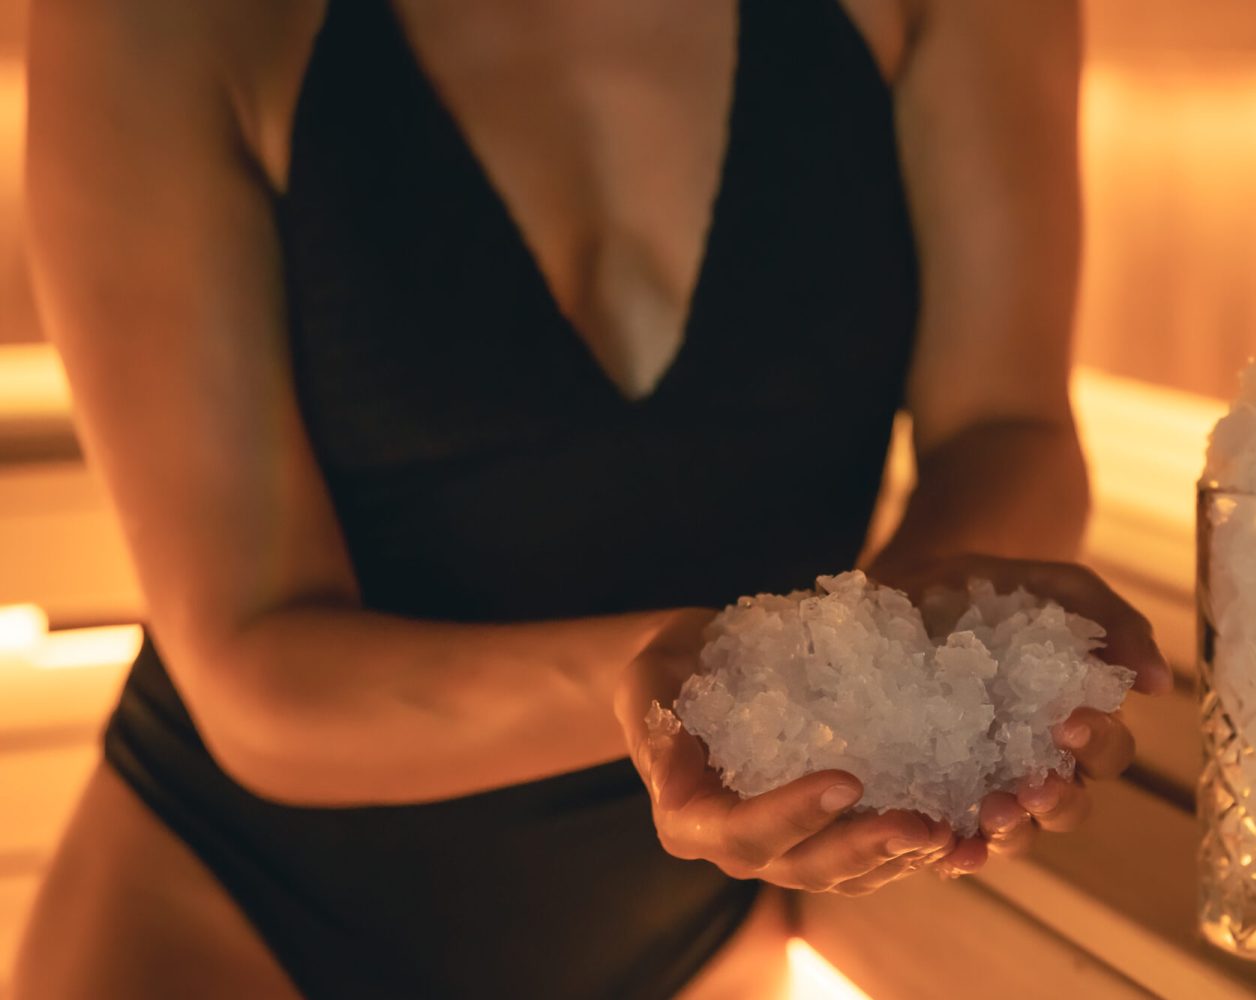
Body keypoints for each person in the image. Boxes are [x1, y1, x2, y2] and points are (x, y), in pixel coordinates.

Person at [17, 0, 1171, 996]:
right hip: (237, 913)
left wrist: (922, 645)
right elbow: (252, 676)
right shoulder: (151, 19)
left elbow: (1008, 427)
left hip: (686, 935)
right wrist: (717, 676)